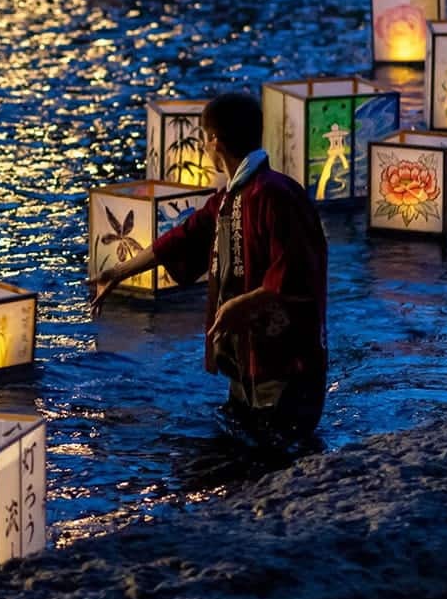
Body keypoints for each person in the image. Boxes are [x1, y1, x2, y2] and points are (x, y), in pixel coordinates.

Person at [91, 91, 329, 441]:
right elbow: (183, 238)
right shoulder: (229, 199)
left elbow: (297, 273)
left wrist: (241, 304)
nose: (204, 148)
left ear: (215, 141)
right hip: (246, 366)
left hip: (285, 368)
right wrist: (120, 272)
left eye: (205, 140)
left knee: (276, 452)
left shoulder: (275, 194)